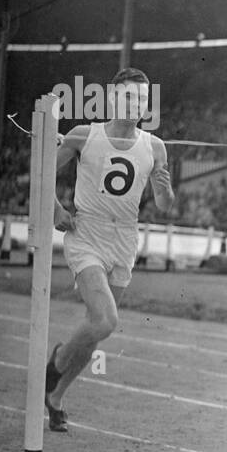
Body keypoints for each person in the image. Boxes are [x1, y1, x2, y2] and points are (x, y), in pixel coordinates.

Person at [44, 68, 175, 432]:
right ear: (113, 98)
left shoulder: (155, 146)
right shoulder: (84, 135)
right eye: (130, 97)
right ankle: (57, 361)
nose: (136, 105)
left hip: (125, 241)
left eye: (143, 100)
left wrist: (164, 189)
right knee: (105, 320)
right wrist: (56, 208)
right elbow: (42, 173)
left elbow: (164, 205)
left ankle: (55, 397)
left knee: (97, 328)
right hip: (87, 235)